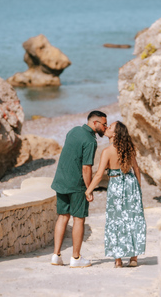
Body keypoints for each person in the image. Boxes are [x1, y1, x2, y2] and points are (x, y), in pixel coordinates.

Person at [85, 121, 146, 268]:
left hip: (116, 185)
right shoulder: (128, 148)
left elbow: (99, 175)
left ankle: (118, 260)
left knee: (116, 220)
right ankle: (133, 258)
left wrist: (89, 190)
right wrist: (138, 188)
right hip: (131, 184)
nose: (107, 128)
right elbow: (136, 169)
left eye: (110, 127)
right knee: (133, 219)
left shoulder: (107, 151)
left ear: (115, 134)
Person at [50, 110, 108, 268]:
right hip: (76, 185)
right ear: (95, 123)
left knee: (62, 217)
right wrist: (89, 189)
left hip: (61, 181)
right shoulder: (90, 141)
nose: (105, 127)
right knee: (78, 219)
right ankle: (75, 257)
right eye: (104, 124)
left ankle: (56, 255)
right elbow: (86, 168)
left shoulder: (74, 130)